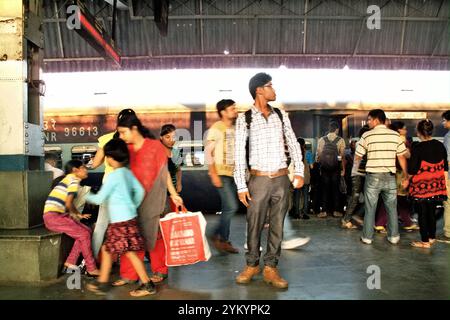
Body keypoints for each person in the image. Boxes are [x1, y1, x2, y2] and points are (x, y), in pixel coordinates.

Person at [234, 72, 304, 289]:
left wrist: (299, 170)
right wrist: (241, 185)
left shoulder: (281, 115)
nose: (274, 90)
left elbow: (293, 143)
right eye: (270, 85)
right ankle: (252, 264)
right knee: (253, 224)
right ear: (259, 90)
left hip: (281, 179)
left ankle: (271, 267)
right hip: (259, 180)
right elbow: (238, 153)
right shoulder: (244, 118)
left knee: (277, 226)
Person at [85, 139, 156, 296]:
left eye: (106, 157)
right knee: (108, 248)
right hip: (128, 218)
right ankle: (103, 283)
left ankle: (147, 284)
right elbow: (140, 191)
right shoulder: (127, 173)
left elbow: (99, 199)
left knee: (127, 252)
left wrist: (84, 194)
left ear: (110, 158)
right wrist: (132, 205)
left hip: (119, 221)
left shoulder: (113, 176)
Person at [113, 112, 169, 287]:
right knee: (132, 237)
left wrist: (174, 194)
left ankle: (160, 269)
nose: (121, 137)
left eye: (123, 132)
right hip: (131, 201)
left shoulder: (155, 147)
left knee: (155, 236)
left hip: (153, 199)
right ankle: (129, 274)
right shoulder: (125, 150)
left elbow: (164, 173)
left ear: (134, 129)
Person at [354, 109, 409, 245]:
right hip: (390, 177)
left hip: (373, 177)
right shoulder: (395, 136)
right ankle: (394, 237)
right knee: (391, 208)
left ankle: (367, 237)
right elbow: (401, 156)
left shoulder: (367, 135)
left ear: (376, 120)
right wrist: (406, 175)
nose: (367, 122)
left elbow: (357, 156)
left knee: (370, 208)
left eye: (368, 119)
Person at [89, 109, 136, 261]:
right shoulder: (135, 140)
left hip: (109, 187)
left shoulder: (106, 139)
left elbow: (95, 164)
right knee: (127, 226)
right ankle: (126, 262)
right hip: (128, 189)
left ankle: (93, 260)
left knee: (101, 225)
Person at [43, 160, 100, 276]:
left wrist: (78, 214)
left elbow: (68, 203)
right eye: (83, 167)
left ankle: (70, 262)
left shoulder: (68, 179)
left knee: (87, 231)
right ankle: (91, 267)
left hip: (57, 216)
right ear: (75, 170)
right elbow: (69, 203)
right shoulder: (74, 180)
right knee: (84, 234)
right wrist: (76, 213)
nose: (86, 170)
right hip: (54, 217)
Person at [206, 99, 240, 254]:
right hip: (221, 173)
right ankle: (217, 236)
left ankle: (223, 240)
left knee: (228, 207)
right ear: (223, 112)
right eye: (232, 108)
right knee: (231, 207)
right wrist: (213, 173)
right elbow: (208, 152)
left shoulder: (234, 128)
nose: (235, 110)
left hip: (232, 173)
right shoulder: (216, 128)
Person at [408, 120, 448, 248]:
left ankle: (424, 241)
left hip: (421, 186)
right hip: (437, 185)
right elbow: (445, 166)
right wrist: (444, 184)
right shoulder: (439, 145)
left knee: (422, 214)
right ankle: (431, 237)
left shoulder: (417, 147)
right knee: (431, 212)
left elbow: (413, 169)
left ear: (418, 131)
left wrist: (406, 180)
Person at [374, 121, 418, 233]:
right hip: (399, 173)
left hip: (391, 171)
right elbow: (406, 155)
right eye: (404, 128)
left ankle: (406, 222)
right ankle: (381, 223)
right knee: (397, 198)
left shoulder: (390, 139)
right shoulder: (400, 140)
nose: (406, 130)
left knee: (395, 198)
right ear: (399, 130)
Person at [341, 125, 370, 229]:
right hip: (358, 174)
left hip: (362, 174)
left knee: (363, 197)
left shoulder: (362, 143)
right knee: (355, 197)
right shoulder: (360, 143)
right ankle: (347, 219)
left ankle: (354, 217)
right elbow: (361, 159)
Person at [316, 121, 346, 218]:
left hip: (324, 169)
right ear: (337, 129)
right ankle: (336, 211)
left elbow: (319, 156)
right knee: (335, 189)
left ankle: (324, 211)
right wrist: (343, 169)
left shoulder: (322, 140)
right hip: (336, 169)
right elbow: (342, 156)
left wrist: (322, 163)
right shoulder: (340, 140)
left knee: (325, 189)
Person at [289, 137, 312, 220]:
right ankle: (305, 213)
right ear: (304, 145)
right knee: (305, 196)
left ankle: (296, 213)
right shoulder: (308, 154)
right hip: (305, 177)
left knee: (297, 196)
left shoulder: (295, 155)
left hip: (298, 177)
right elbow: (312, 166)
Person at [438, 110, 450, 243]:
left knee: (448, 204)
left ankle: (448, 233)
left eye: (444, 120)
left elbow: (447, 160)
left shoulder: (448, 136)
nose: (443, 123)